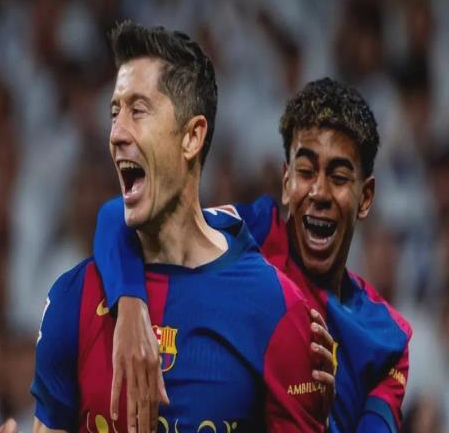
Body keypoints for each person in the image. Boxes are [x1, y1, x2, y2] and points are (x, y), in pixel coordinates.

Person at [29, 21, 333, 433]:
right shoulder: (75, 298)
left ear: (192, 137)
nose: (116, 133)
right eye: (115, 113)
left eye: (138, 110)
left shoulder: (278, 310)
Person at [95, 77, 412, 432]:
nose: (319, 192)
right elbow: (118, 216)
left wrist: (316, 417)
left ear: (365, 198)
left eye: (338, 177)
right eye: (306, 172)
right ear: (286, 182)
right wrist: (131, 309)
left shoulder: (387, 340)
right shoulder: (249, 234)